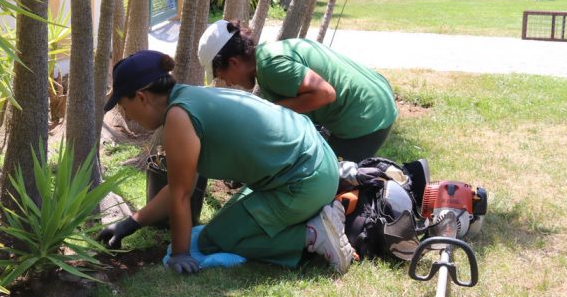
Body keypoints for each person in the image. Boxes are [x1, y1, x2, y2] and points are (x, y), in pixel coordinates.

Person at [96, 50, 355, 274]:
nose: (126, 115)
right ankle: (315, 218)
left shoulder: (179, 117)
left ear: (141, 97)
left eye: (123, 105)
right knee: (229, 220)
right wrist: (131, 223)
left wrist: (180, 254)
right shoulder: (191, 98)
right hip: (317, 163)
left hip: (304, 180)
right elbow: (177, 188)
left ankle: (311, 235)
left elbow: (181, 195)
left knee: (214, 238)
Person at [197, 20, 398, 162]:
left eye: (222, 76)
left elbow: (325, 93)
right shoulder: (269, 57)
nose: (228, 84)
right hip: (377, 97)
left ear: (233, 62)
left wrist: (272, 110)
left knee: (334, 192)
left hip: (366, 114)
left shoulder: (270, 66)